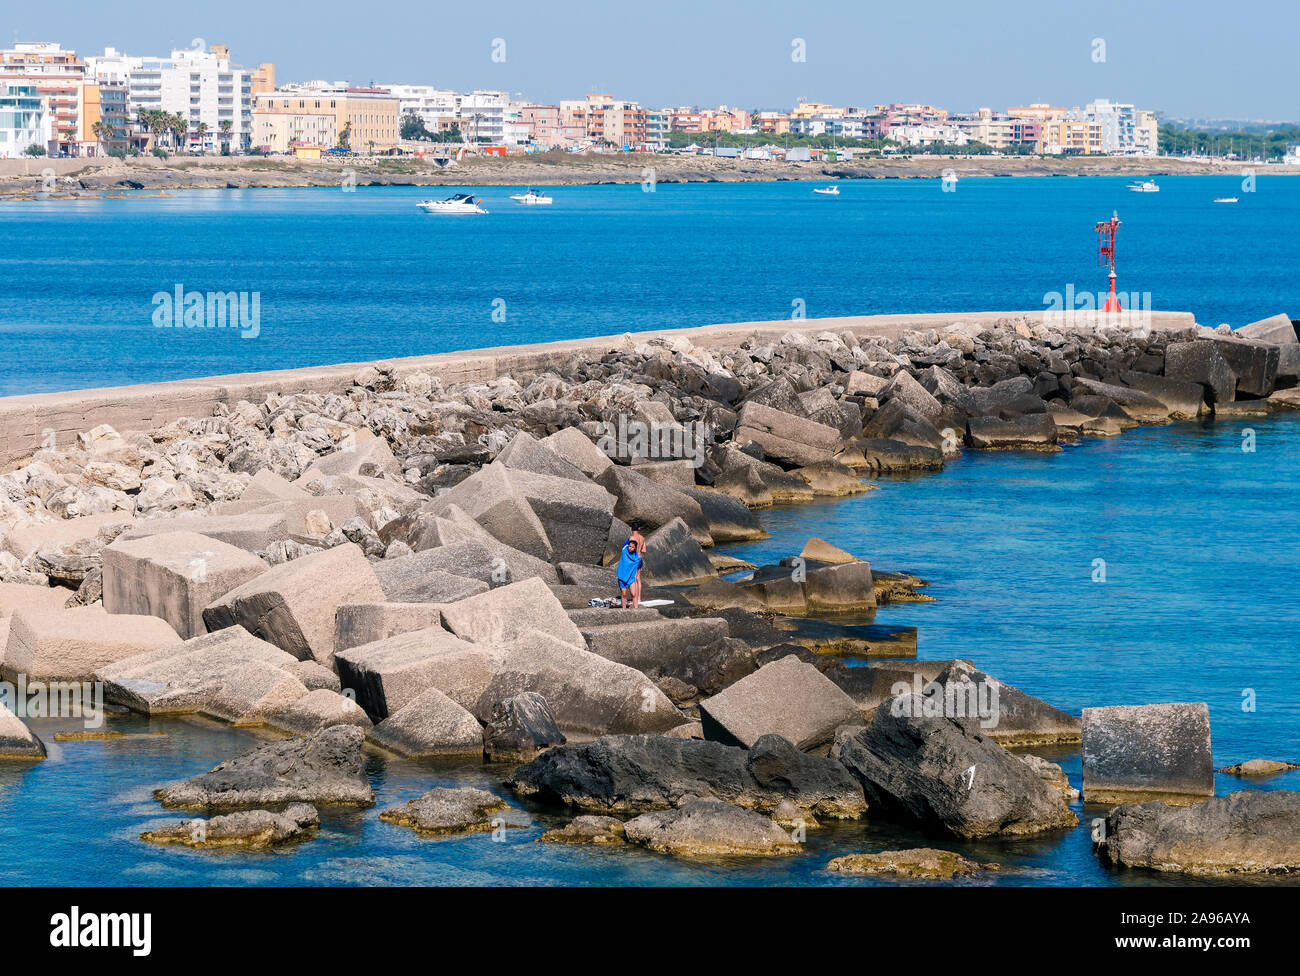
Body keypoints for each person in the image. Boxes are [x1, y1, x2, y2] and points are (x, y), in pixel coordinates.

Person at [616, 536, 643, 609]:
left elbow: (640, 566)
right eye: (629, 546)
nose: (630, 548)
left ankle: (636, 609)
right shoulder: (624, 550)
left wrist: (637, 574)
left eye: (632, 547)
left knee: (633, 594)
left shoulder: (637, 557)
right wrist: (632, 538)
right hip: (622, 576)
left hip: (631, 578)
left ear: (635, 548)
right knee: (624, 594)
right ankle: (624, 609)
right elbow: (628, 540)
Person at [627, 521, 647, 606]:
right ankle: (639, 598)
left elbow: (630, 549)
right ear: (639, 529)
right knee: (638, 578)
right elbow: (644, 550)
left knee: (633, 579)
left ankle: (634, 599)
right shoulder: (642, 538)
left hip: (634, 560)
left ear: (630, 528)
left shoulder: (631, 538)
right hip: (640, 559)